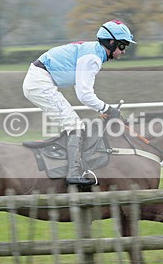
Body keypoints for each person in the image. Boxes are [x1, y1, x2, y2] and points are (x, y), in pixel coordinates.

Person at [22, 19, 136, 186]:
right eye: (122, 46)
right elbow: (84, 95)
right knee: (75, 126)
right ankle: (73, 172)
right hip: (39, 83)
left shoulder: (94, 52)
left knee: (74, 125)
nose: (124, 51)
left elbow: (84, 94)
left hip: (41, 79)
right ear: (111, 43)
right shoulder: (93, 58)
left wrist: (102, 109)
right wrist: (108, 109)